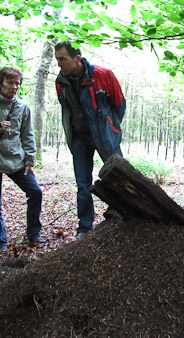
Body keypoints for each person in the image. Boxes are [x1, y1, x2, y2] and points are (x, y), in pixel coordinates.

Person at [54, 41, 126, 240]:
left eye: (62, 59)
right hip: (79, 139)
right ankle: (85, 229)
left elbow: (119, 104)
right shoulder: (60, 82)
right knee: (83, 185)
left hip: (105, 136)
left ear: (77, 58)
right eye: (57, 59)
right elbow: (66, 109)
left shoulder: (103, 75)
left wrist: (110, 128)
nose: (59, 64)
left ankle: (119, 219)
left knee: (117, 178)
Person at [0, 66, 44, 252]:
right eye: (10, 82)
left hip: (16, 159)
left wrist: (29, 160)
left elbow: (28, 136)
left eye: (17, 83)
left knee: (36, 192)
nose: (14, 86)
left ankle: (33, 233)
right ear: (1, 82)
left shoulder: (23, 107)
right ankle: (1, 241)